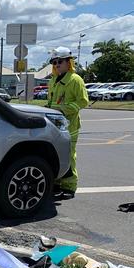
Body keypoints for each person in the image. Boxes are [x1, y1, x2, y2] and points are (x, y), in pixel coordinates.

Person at [46, 46, 88, 200]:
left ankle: (69, 187)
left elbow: (83, 101)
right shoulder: (53, 81)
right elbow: (51, 101)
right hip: (54, 126)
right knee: (55, 156)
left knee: (69, 157)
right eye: (54, 62)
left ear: (68, 62)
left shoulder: (75, 80)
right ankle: (57, 183)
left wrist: (64, 109)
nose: (57, 64)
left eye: (60, 61)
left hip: (70, 126)